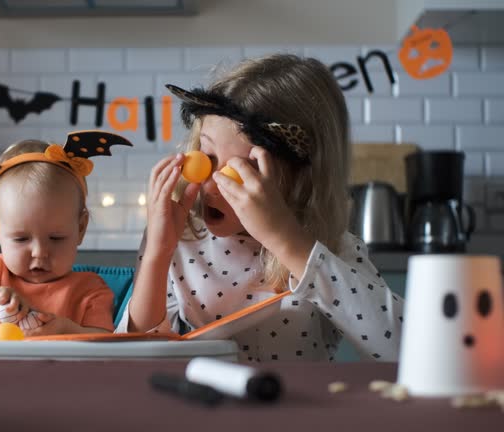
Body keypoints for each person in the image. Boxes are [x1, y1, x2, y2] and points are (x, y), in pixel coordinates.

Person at [116, 54, 403, 362]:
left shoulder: (331, 248)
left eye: (239, 174)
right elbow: (130, 355)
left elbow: (405, 349)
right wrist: (158, 255)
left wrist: (285, 239)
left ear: (299, 182)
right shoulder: (181, 238)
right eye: (207, 158)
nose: (211, 187)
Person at [0, 134, 127, 339]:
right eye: (21, 239)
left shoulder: (90, 290)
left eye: (56, 238)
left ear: (81, 229)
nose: (39, 253)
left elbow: (104, 341)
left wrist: (65, 329)